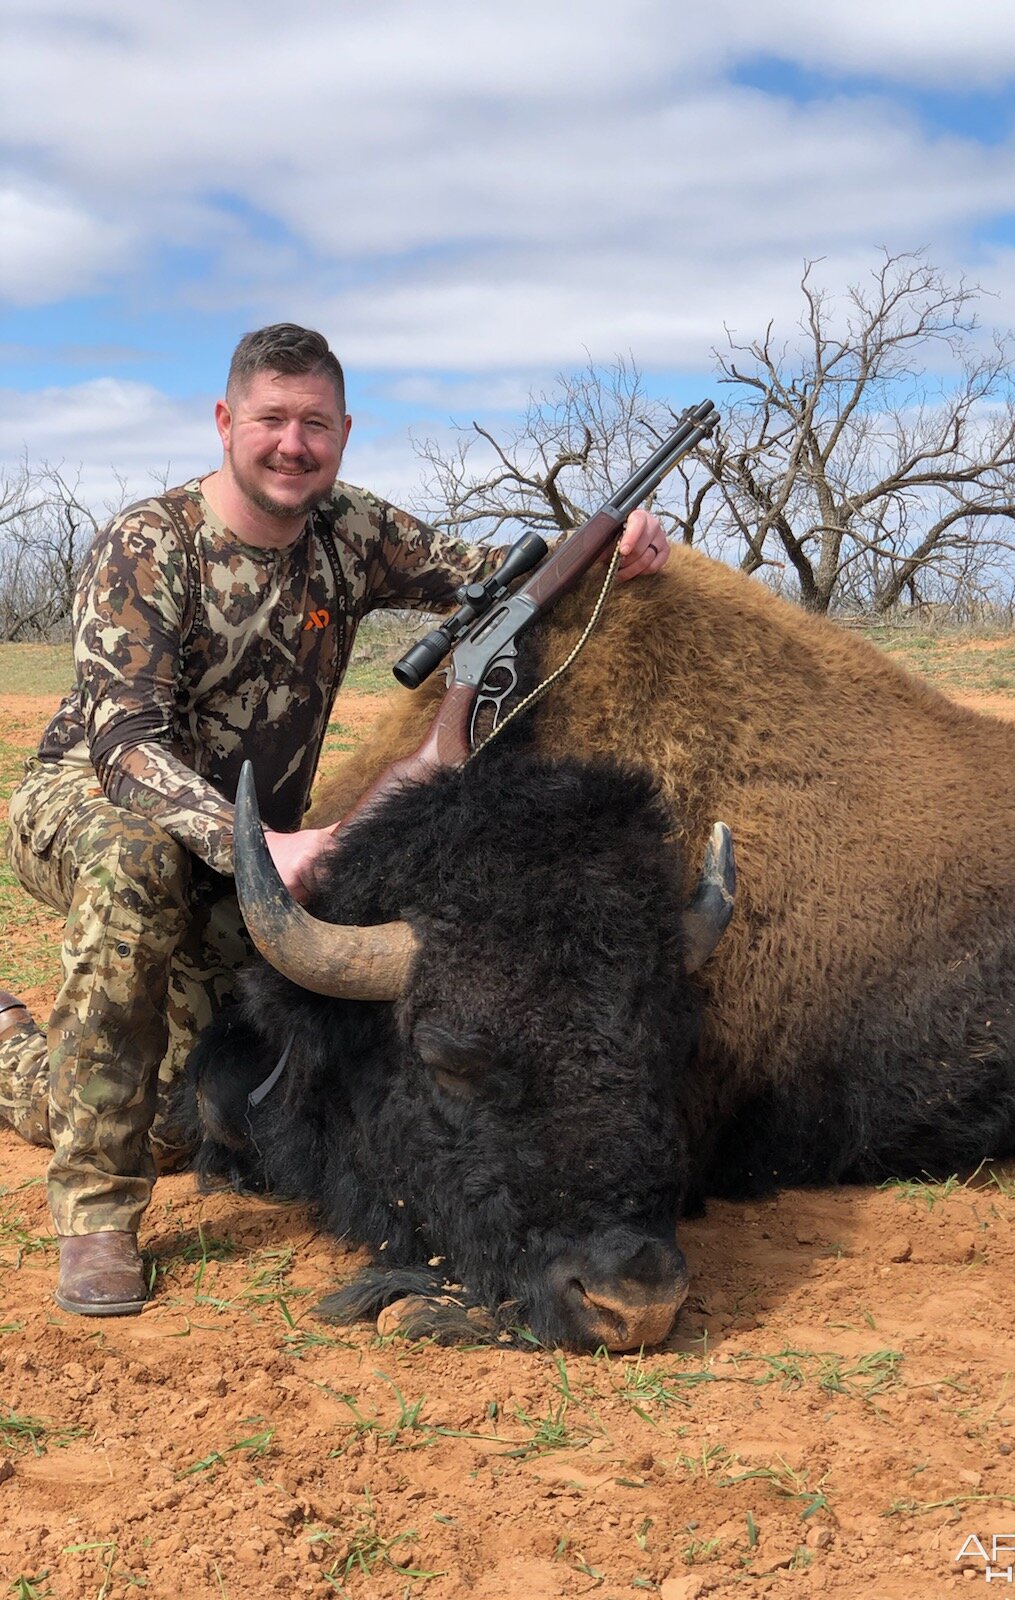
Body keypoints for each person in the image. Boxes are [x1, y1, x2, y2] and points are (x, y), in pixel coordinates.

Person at [0, 323, 669, 1318]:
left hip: (253, 844)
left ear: (344, 432)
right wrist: (258, 842)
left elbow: (497, 572)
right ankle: (98, 1213)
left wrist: (615, 548)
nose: (292, 444)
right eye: (270, 418)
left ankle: (13, 1050)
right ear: (226, 421)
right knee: (135, 867)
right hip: (97, 803)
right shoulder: (151, 544)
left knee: (194, 1100)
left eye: (315, 423)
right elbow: (125, 744)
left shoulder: (353, 532)